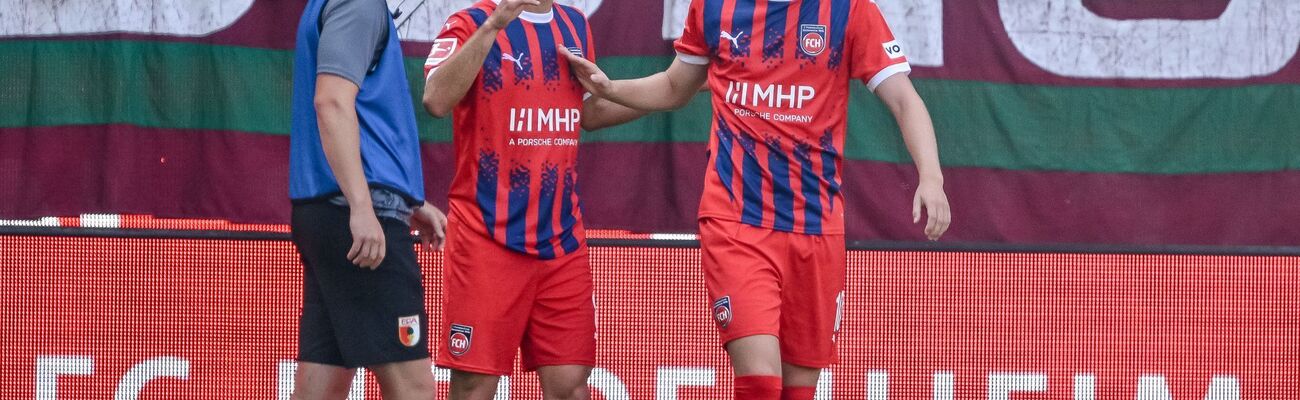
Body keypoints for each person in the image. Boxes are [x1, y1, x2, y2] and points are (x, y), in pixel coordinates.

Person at [562, 0, 953, 398]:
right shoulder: (714, 8)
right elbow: (674, 86)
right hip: (736, 221)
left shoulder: (848, 10)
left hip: (816, 227)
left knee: (798, 390)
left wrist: (932, 177)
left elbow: (904, 99)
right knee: (762, 383)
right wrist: (609, 90)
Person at [421, 0, 640, 399]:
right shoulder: (469, 22)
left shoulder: (574, 24)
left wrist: (680, 88)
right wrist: (493, 27)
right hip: (486, 237)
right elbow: (435, 99)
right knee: (474, 386)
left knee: (571, 386)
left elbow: (588, 112)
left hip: (561, 241)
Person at [288, 0, 448, 398]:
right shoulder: (358, 4)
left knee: (320, 386)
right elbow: (332, 102)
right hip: (353, 219)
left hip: (333, 212)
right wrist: (363, 206)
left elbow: (360, 115)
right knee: (414, 390)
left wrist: (404, 199)